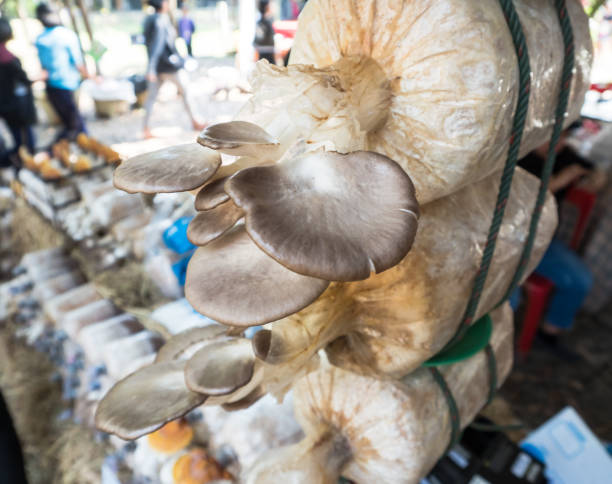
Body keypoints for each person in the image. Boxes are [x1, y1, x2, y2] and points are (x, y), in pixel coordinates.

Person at [517, 126, 599, 356]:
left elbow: (593, 170)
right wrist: (561, 180)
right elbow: (526, 200)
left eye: (561, 137)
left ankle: (549, 331)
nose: (557, 144)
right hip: (514, 240)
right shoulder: (521, 159)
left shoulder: (565, 155)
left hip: (544, 241)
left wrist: (593, 179)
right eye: (549, 139)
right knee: (507, 299)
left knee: (580, 280)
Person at [143, 0, 205, 139]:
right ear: (163, 4)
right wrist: (151, 68)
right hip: (168, 67)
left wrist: (151, 67)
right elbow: (157, 45)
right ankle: (195, 120)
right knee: (186, 91)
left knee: (151, 98)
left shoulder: (149, 19)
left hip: (159, 67)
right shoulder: (160, 20)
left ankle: (145, 128)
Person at [35, 3, 88, 142]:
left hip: (52, 87)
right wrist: (91, 76)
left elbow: (44, 68)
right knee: (76, 125)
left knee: (71, 123)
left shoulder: (40, 40)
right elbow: (78, 63)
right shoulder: (68, 35)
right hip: (68, 85)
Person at [0, 18, 36, 167]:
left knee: (17, 135)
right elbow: (23, 80)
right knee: (25, 140)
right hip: (15, 106)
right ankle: (20, 159)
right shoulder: (8, 59)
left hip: (4, 106)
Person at [254, 0, 275, 64]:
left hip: (264, 54)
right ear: (266, 7)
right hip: (267, 54)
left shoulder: (261, 22)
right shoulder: (265, 23)